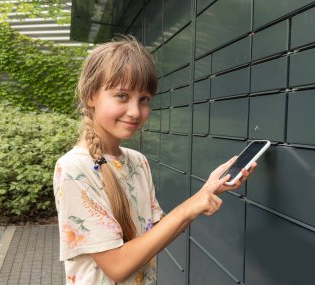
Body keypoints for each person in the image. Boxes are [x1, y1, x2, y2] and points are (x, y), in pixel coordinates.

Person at [53, 35, 256, 285]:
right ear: (91, 95)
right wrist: (189, 206)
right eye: (122, 96)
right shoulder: (74, 168)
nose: (135, 111)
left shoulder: (137, 162)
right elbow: (116, 267)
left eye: (144, 99)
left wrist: (208, 191)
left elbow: (156, 235)